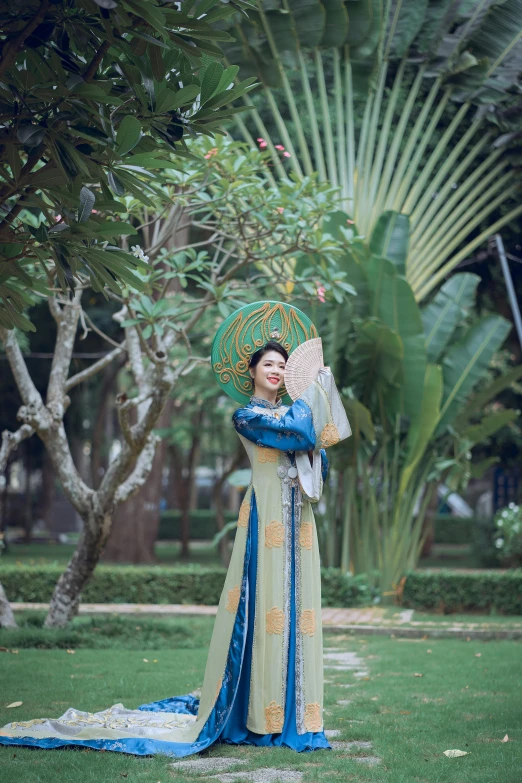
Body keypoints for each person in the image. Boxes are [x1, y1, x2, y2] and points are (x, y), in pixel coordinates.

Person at [0, 308, 351, 758]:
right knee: (264, 614)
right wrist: (312, 393)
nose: (279, 371)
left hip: (299, 526)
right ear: (251, 371)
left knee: (295, 616)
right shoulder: (247, 416)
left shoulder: (288, 410)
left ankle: (293, 715)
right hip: (266, 526)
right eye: (270, 364)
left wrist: (312, 416)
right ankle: (259, 718)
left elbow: (319, 457)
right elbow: (300, 431)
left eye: (285, 366)